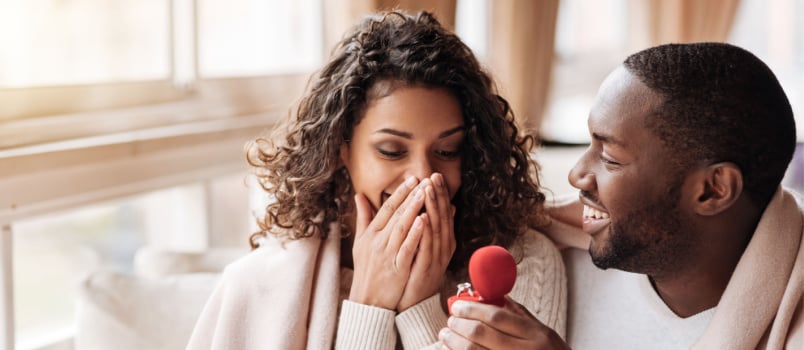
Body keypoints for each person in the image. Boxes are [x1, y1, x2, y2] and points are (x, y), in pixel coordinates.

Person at [186, 10, 566, 350]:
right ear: (341, 149)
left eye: (448, 150)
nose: (424, 176)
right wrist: (369, 305)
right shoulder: (258, 287)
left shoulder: (521, 264)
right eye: (392, 150)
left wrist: (420, 308)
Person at [439, 42, 804, 349]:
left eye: (610, 158)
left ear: (713, 190)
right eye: (590, 143)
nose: (577, 174)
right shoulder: (542, 263)